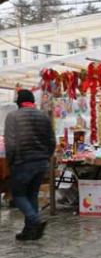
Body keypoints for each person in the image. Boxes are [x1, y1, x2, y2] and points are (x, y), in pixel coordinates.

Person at [5, 89, 56, 241]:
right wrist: (46, 156)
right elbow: (52, 141)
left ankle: (34, 220)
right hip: (41, 163)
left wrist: (10, 162)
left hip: (23, 162)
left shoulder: (13, 117)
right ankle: (29, 232)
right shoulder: (43, 116)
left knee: (18, 195)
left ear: (19, 103)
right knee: (32, 195)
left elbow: (10, 143)